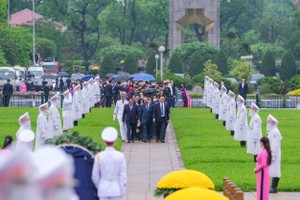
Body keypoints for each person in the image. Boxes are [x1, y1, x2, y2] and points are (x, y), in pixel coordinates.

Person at [92, 127, 127, 200]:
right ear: (115, 142)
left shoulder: (99, 156)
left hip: (103, 189)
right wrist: (122, 190)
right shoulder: (120, 156)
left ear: (104, 142)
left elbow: (95, 176)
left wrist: (100, 186)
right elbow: (122, 175)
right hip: (115, 189)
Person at [267, 114, 282, 193]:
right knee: (273, 169)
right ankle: (272, 186)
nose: (268, 124)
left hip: (274, 154)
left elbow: (275, 145)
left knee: (276, 169)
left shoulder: (275, 132)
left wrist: (273, 155)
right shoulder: (272, 131)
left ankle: (274, 187)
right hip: (272, 153)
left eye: (269, 122)